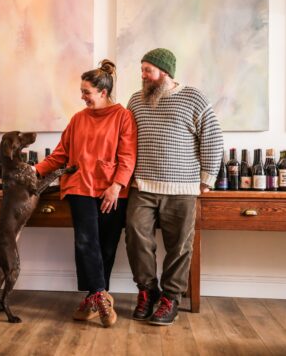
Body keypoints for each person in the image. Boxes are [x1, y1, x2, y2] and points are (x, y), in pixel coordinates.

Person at [34, 59, 137, 327]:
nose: (82, 97)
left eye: (86, 92)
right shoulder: (78, 119)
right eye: (82, 91)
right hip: (80, 186)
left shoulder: (123, 116)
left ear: (103, 92)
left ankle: (94, 297)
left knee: (107, 245)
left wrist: (116, 186)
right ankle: (102, 299)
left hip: (112, 190)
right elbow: (60, 154)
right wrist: (34, 171)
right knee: (85, 241)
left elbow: (128, 156)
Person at [125, 48, 223, 326]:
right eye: (141, 69)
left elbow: (213, 138)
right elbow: (126, 141)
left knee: (179, 246)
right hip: (142, 185)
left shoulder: (194, 97)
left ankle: (171, 298)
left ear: (164, 72)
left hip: (182, 188)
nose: (142, 75)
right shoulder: (136, 100)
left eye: (148, 70)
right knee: (135, 237)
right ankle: (147, 291)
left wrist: (207, 177)